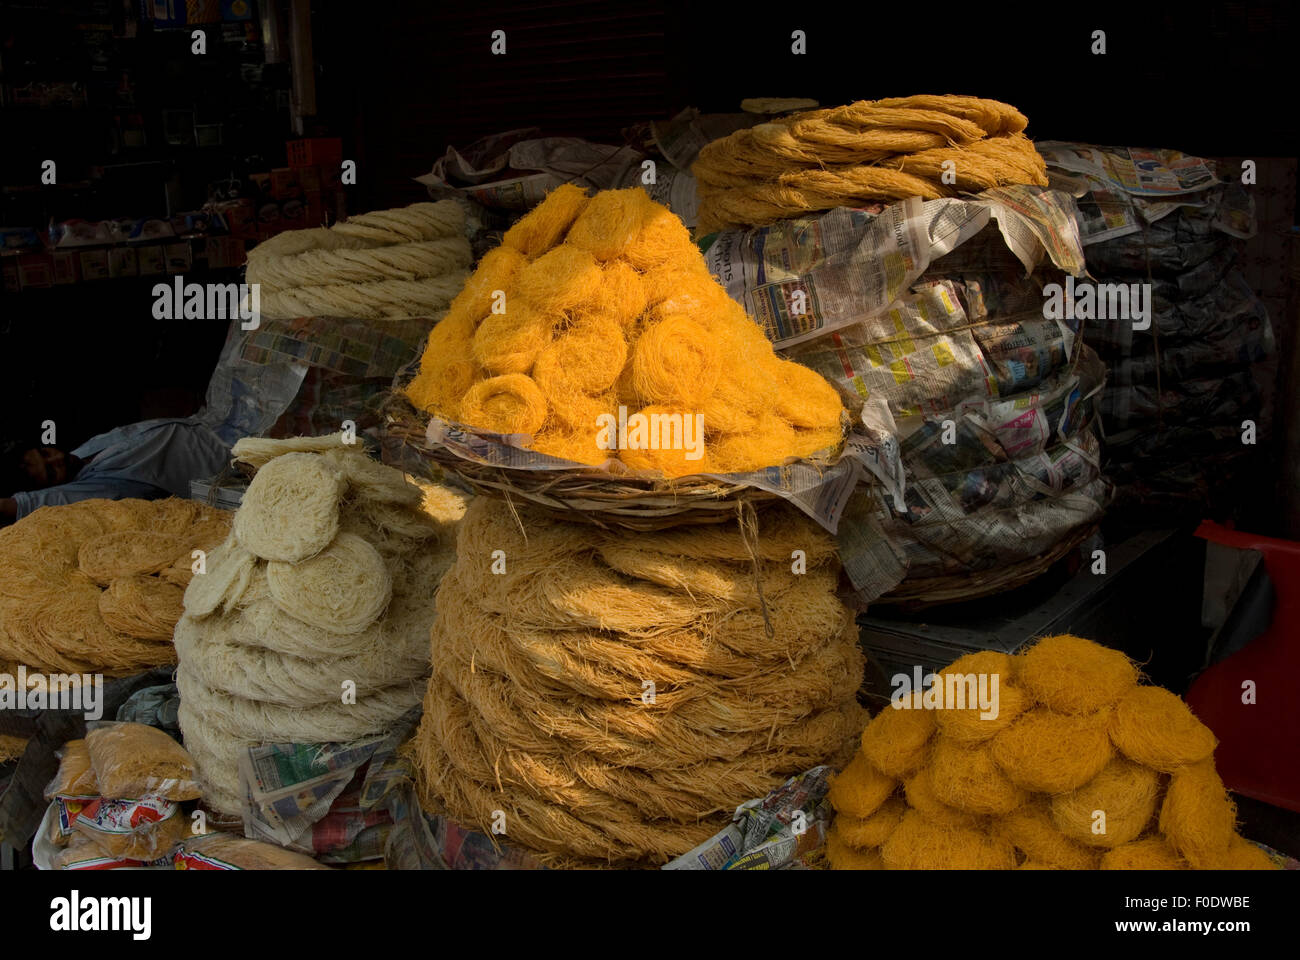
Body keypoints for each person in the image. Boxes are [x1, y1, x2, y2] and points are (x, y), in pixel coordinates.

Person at [0, 417, 232, 526]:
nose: (58, 457)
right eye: (51, 472)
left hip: (211, 425)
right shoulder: (97, 487)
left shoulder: (81, 453)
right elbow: (23, 504)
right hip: (230, 464)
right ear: (53, 487)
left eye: (45, 453)